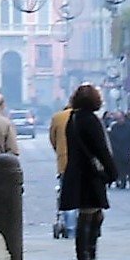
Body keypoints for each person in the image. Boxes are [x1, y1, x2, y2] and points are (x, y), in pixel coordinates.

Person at [59, 83, 118, 260]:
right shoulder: (90, 120)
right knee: (90, 216)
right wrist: (112, 171)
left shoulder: (73, 119)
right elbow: (101, 149)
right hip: (90, 174)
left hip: (78, 172)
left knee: (93, 215)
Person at [49, 99, 77, 240]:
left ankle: (70, 228)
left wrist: (60, 151)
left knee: (67, 195)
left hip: (64, 162)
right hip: (84, 163)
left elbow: (53, 139)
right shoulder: (87, 117)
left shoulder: (58, 118)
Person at [107, 110, 130, 190]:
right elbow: (111, 139)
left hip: (128, 150)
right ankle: (123, 181)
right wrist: (115, 148)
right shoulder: (114, 127)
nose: (119, 120)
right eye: (117, 119)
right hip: (118, 151)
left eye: (120, 118)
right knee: (120, 168)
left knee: (129, 167)